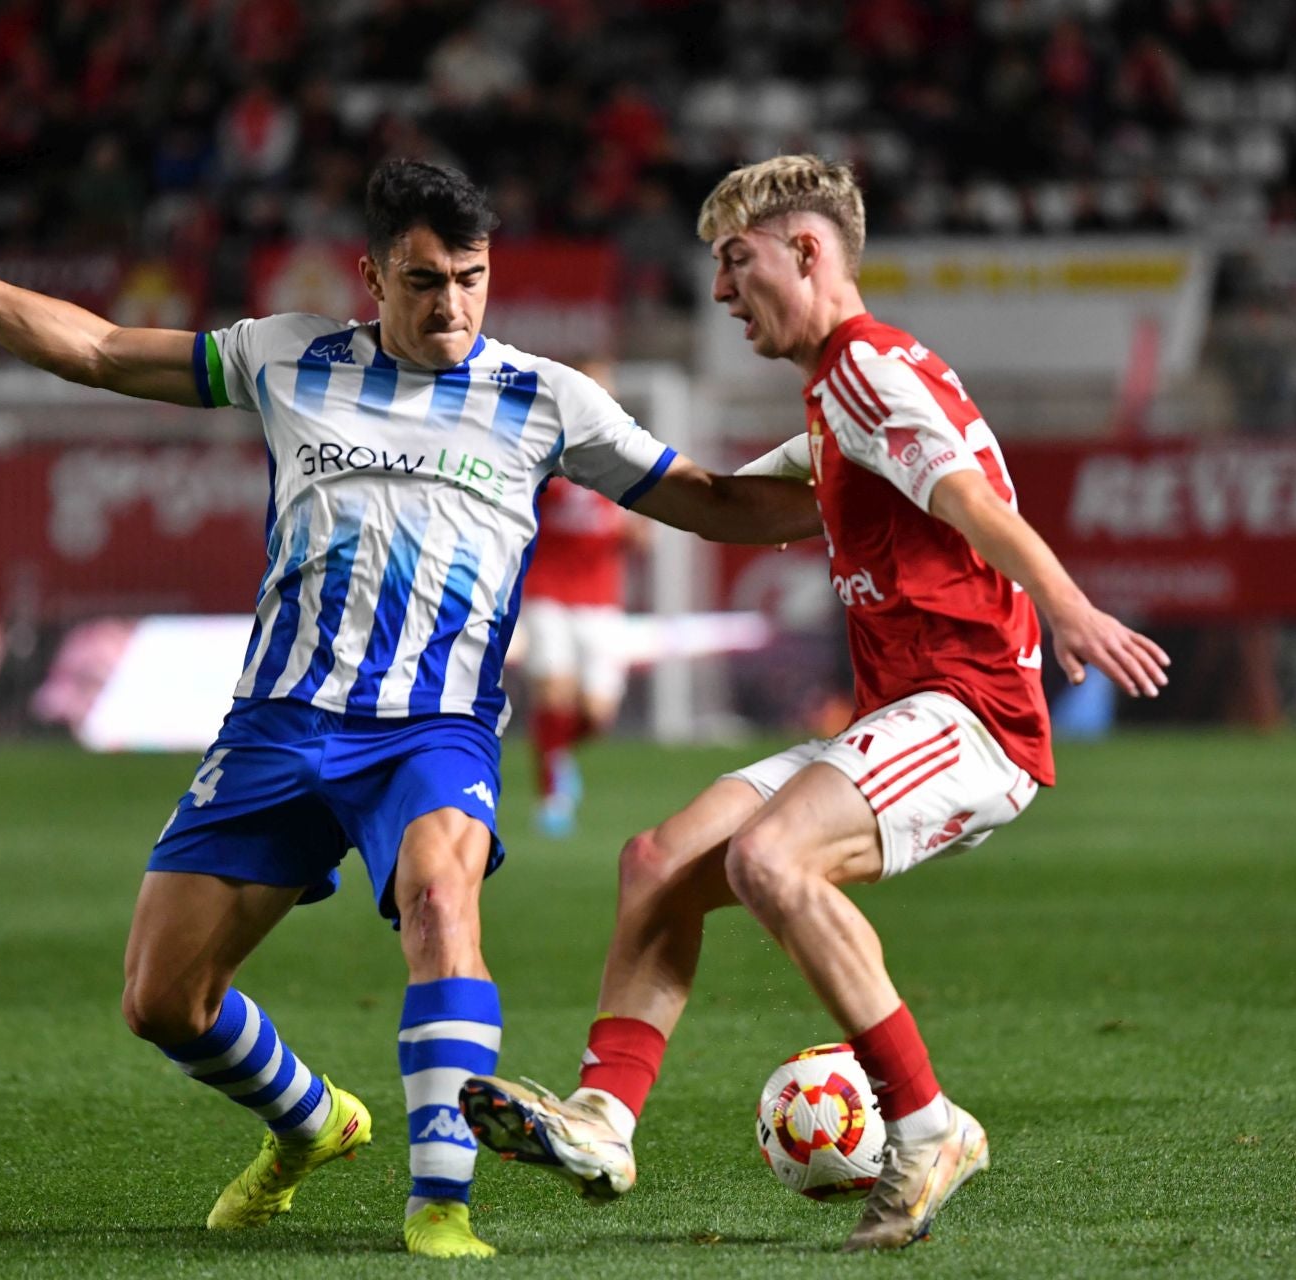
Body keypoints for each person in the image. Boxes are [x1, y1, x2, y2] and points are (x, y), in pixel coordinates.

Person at [0, 158, 818, 1260]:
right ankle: (313, 1121)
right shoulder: (288, 355)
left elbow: (709, 501)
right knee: (164, 1000)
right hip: (277, 723)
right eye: (422, 280)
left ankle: (441, 1207)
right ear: (370, 276)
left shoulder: (545, 398)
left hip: (431, 730)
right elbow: (102, 350)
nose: (450, 303)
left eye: (471, 276)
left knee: (444, 902)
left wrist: (870, 488)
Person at [458, 155, 1169, 1251]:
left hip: (972, 714)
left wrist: (1067, 605)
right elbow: (733, 507)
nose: (720, 290)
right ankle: (603, 1117)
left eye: (735, 262)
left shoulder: (866, 372)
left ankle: (929, 1125)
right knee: (659, 862)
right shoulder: (843, 396)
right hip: (906, 712)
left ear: (807, 250)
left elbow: (970, 500)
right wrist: (584, 442)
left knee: (769, 859)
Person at [517, 359, 649, 836]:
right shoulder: (545, 452)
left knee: (597, 713)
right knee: (553, 690)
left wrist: (634, 532)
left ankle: (560, 751)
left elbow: (642, 527)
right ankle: (551, 796)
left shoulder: (629, 453)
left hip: (600, 596)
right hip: (549, 588)